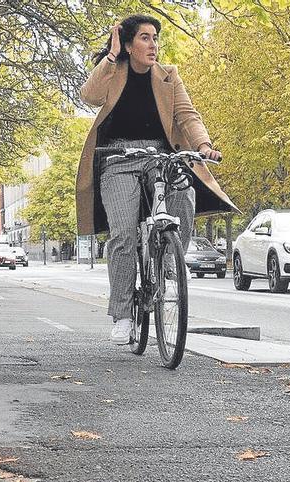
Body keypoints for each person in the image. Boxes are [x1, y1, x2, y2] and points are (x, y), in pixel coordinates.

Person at [75, 14, 236, 344]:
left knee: (185, 191)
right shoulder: (114, 71)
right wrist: (110, 56)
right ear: (130, 45)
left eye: (155, 38)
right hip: (117, 160)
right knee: (122, 235)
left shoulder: (169, 76)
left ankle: (166, 259)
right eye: (145, 38)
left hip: (159, 157)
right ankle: (121, 315)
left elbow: (187, 115)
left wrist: (203, 145)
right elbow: (89, 95)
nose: (153, 45)